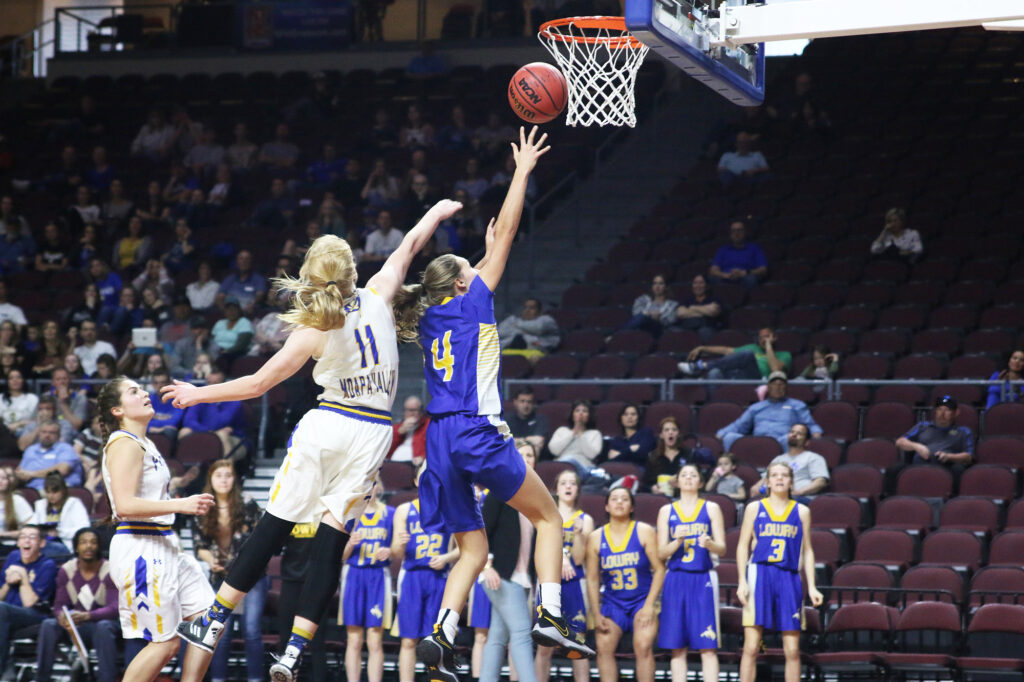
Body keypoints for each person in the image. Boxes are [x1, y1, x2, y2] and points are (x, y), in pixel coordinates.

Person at [167, 200, 463, 682]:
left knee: (274, 527)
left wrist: (199, 394)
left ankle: (215, 618)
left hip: (328, 424)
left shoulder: (312, 329)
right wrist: (437, 212)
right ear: (352, 271)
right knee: (330, 543)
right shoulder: (380, 293)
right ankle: (294, 652)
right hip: (372, 432)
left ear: (311, 276)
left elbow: (257, 384)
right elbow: (411, 242)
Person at [391, 127, 593, 682]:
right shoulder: (474, 297)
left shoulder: (430, 313)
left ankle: (441, 633)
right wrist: (522, 171)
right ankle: (552, 613)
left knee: (472, 549)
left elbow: (479, 257)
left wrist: (473, 253)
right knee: (550, 516)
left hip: (440, 441)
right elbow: (506, 232)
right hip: (478, 430)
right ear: (462, 281)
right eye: (469, 268)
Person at [96, 377, 216, 682]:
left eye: (142, 388)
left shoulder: (145, 442)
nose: (144, 393)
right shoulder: (124, 443)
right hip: (140, 545)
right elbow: (123, 505)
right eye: (133, 392)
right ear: (117, 410)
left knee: (209, 621)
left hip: (163, 543)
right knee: (165, 643)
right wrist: (181, 505)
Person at [736, 462, 823, 682]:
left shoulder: (802, 511)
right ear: (767, 481)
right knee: (752, 646)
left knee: (792, 650)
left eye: (784, 475)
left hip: (788, 576)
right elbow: (741, 546)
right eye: (774, 475)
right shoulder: (754, 508)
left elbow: (808, 550)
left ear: (791, 481)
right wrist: (741, 581)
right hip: (759, 574)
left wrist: (812, 585)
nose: (779, 479)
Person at [191, 460, 266, 682]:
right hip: (220, 576)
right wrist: (211, 560)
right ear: (211, 480)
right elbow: (199, 546)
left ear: (234, 479)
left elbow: (261, 541)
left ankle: (256, 679)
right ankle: (217, 679)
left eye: (228, 475)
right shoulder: (203, 507)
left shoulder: (248, 504)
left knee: (251, 630)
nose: (223, 480)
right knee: (219, 632)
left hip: (252, 576)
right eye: (218, 476)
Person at [586, 487, 665, 682]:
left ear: (631, 507)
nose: (619, 502)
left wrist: (648, 606)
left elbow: (660, 570)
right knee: (603, 647)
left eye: (624, 499)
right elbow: (592, 578)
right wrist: (596, 612)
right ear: (606, 506)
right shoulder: (596, 537)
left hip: (641, 601)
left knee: (643, 646)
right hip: (614, 604)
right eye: (614, 499)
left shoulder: (644, 531)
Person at [657, 465, 726, 682]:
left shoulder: (712, 508)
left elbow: (723, 549)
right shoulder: (666, 511)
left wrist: (710, 544)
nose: (688, 478)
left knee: (708, 646)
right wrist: (676, 541)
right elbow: (661, 553)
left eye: (693, 475)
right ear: (676, 481)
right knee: (677, 648)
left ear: (701, 482)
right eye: (683, 474)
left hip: (702, 578)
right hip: (675, 578)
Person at [479, 442, 540, 682]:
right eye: (521, 454)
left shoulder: (538, 496)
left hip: (523, 577)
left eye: (530, 454)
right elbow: (482, 533)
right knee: (523, 633)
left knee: (497, 636)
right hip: (500, 574)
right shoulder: (499, 492)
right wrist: (486, 566)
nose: (526, 458)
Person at [391, 465, 457, 682]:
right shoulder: (404, 510)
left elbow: (465, 549)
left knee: (437, 640)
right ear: (417, 481)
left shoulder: (450, 509)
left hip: (439, 578)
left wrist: (446, 558)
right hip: (412, 577)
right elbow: (395, 552)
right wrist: (400, 544)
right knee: (408, 640)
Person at [35, 526, 119, 682]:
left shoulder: (109, 570)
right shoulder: (67, 570)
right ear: (76, 547)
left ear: (99, 546)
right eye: (83, 542)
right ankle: (42, 678)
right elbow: (59, 605)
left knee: (104, 627)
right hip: (76, 627)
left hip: (100, 625)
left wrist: (89, 615)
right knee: (48, 624)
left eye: (93, 542)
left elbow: (114, 608)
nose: (88, 546)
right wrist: (61, 616)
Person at [535, 467, 595, 682]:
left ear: (578, 490)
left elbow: (579, 559)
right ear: (556, 489)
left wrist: (578, 535)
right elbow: (540, 547)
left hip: (574, 583)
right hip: (549, 582)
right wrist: (562, 556)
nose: (568, 486)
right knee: (545, 646)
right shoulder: (545, 514)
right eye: (564, 483)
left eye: (573, 483)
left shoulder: (584, 519)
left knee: (578, 646)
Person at [340, 482, 393, 682]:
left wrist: (390, 551)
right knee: (354, 639)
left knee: (375, 640)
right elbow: (342, 556)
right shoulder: (350, 515)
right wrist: (349, 544)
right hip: (354, 575)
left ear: (378, 486)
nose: (370, 489)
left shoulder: (390, 513)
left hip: (378, 576)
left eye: (373, 484)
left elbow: (397, 549)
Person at [0, 525, 58, 675]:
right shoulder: (13, 557)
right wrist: (7, 582)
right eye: (23, 537)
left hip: (35, 616)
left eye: (32, 537)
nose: (27, 541)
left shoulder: (47, 565)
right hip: (6, 614)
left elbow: (29, 603)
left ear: (42, 543)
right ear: (18, 542)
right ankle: (8, 669)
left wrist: (23, 577)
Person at [716, 372, 823, 451]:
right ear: (768, 387)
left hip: (781, 441)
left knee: (789, 438)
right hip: (757, 440)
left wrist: (816, 433)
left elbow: (810, 424)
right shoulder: (756, 407)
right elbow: (739, 425)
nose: (778, 387)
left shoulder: (797, 405)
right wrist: (722, 433)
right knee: (729, 437)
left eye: (781, 384)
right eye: (774, 384)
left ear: (786, 387)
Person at [895, 395, 974, 478]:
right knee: (895, 469)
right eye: (939, 409)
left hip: (947, 468)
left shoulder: (963, 431)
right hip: (919, 465)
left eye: (947, 410)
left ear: (956, 413)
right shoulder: (922, 426)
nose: (942, 414)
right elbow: (900, 442)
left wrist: (949, 457)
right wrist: (917, 446)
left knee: (958, 470)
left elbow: (969, 457)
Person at [749, 424, 830, 502]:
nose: (794, 435)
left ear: (807, 442)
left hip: (800, 498)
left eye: (799, 434)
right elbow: (765, 478)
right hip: (775, 496)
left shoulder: (813, 458)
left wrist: (799, 492)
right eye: (792, 432)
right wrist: (756, 486)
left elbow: (820, 482)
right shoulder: (778, 459)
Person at [679, 327, 791, 381]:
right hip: (740, 375)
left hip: (759, 379)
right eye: (761, 337)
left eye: (767, 336)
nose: (763, 339)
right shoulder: (753, 347)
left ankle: (701, 366)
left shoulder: (784, 355)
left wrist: (768, 346)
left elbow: (775, 370)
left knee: (747, 354)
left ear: (774, 338)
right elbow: (726, 351)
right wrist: (703, 348)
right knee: (714, 372)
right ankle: (713, 404)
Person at [33, 471, 90, 559]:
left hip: (65, 545)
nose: (51, 496)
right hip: (42, 543)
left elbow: (84, 529)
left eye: (54, 492)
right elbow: (32, 527)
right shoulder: (41, 505)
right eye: (48, 492)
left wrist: (60, 533)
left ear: (63, 490)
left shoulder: (74, 504)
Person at [16, 420, 83, 490]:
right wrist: (21, 475)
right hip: (30, 490)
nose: (47, 435)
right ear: (39, 434)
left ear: (59, 435)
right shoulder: (31, 449)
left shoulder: (66, 448)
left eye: (52, 433)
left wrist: (32, 474)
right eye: (44, 432)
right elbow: (20, 471)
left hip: (57, 490)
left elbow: (62, 470)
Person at [708, 220, 768, 289]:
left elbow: (763, 269)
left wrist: (745, 273)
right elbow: (713, 270)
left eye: (739, 230)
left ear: (745, 232)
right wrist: (724, 275)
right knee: (711, 279)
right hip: (726, 278)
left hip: (746, 277)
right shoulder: (723, 249)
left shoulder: (755, 248)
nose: (736, 233)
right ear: (730, 234)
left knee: (750, 279)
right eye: (733, 231)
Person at [549, 400, 603, 477]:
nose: (580, 413)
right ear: (572, 414)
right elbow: (554, 451)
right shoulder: (562, 430)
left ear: (589, 415)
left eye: (584, 411)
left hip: (584, 468)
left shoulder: (595, 434)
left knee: (571, 460)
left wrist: (581, 434)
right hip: (562, 466)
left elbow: (592, 455)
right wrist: (572, 434)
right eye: (577, 410)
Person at [641, 417, 691, 496]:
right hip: (660, 498)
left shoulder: (688, 454)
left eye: (674, 430)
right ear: (661, 435)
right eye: (666, 430)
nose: (670, 432)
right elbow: (645, 484)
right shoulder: (653, 456)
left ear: (678, 434)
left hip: (683, 496)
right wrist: (652, 488)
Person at [673, 274, 722, 341]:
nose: (698, 286)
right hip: (687, 327)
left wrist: (693, 308)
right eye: (695, 283)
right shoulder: (687, 300)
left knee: (704, 332)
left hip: (707, 328)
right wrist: (704, 310)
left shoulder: (713, 299)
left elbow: (713, 311)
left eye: (701, 283)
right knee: (674, 331)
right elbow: (680, 313)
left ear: (706, 285)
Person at [504, 386, 549, 453]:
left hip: (534, 459)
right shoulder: (506, 419)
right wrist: (527, 440)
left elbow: (539, 442)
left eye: (529, 402)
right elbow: (503, 442)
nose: (526, 405)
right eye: (522, 401)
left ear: (533, 404)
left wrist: (515, 441)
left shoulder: (540, 419)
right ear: (515, 402)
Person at [388, 395, 429, 465]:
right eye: (409, 410)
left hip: (416, 466)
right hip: (393, 465)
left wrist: (424, 458)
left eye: (415, 410)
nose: (411, 413)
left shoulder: (428, 426)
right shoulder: (397, 427)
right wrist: (399, 432)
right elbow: (387, 451)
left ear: (421, 411)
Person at [0, 369, 37, 435]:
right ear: (7, 382)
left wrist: (19, 424)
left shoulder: (32, 398)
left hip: (26, 433)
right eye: (11, 378)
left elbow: (36, 420)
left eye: (18, 377)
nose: (15, 380)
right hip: (3, 433)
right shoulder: (0, 398)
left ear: (23, 380)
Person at [0, 468, 33, 540]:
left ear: (8, 482)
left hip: (11, 545)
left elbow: (31, 530)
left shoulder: (17, 500)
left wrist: (3, 535)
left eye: (4, 478)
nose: (0, 481)